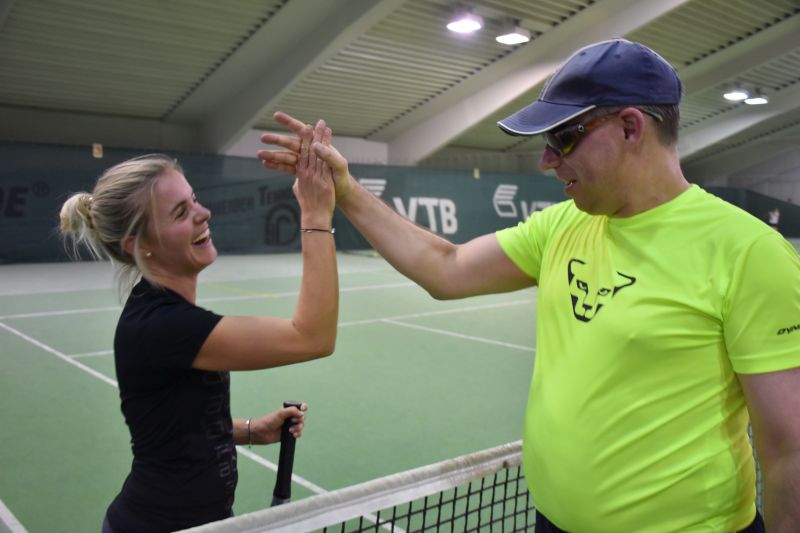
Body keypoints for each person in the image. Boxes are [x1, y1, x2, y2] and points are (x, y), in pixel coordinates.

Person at [258, 39, 800, 532]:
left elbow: (788, 453)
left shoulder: (747, 252)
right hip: (551, 523)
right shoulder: (564, 224)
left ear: (632, 127)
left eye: (564, 139)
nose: (546, 160)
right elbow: (445, 268)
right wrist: (346, 190)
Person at [59, 120, 338, 532]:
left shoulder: (160, 313)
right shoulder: (164, 327)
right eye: (180, 212)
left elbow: (176, 425)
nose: (203, 213)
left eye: (195, 200)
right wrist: (316, 212)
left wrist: (248, 431)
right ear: (139, 246)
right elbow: (313, 337)